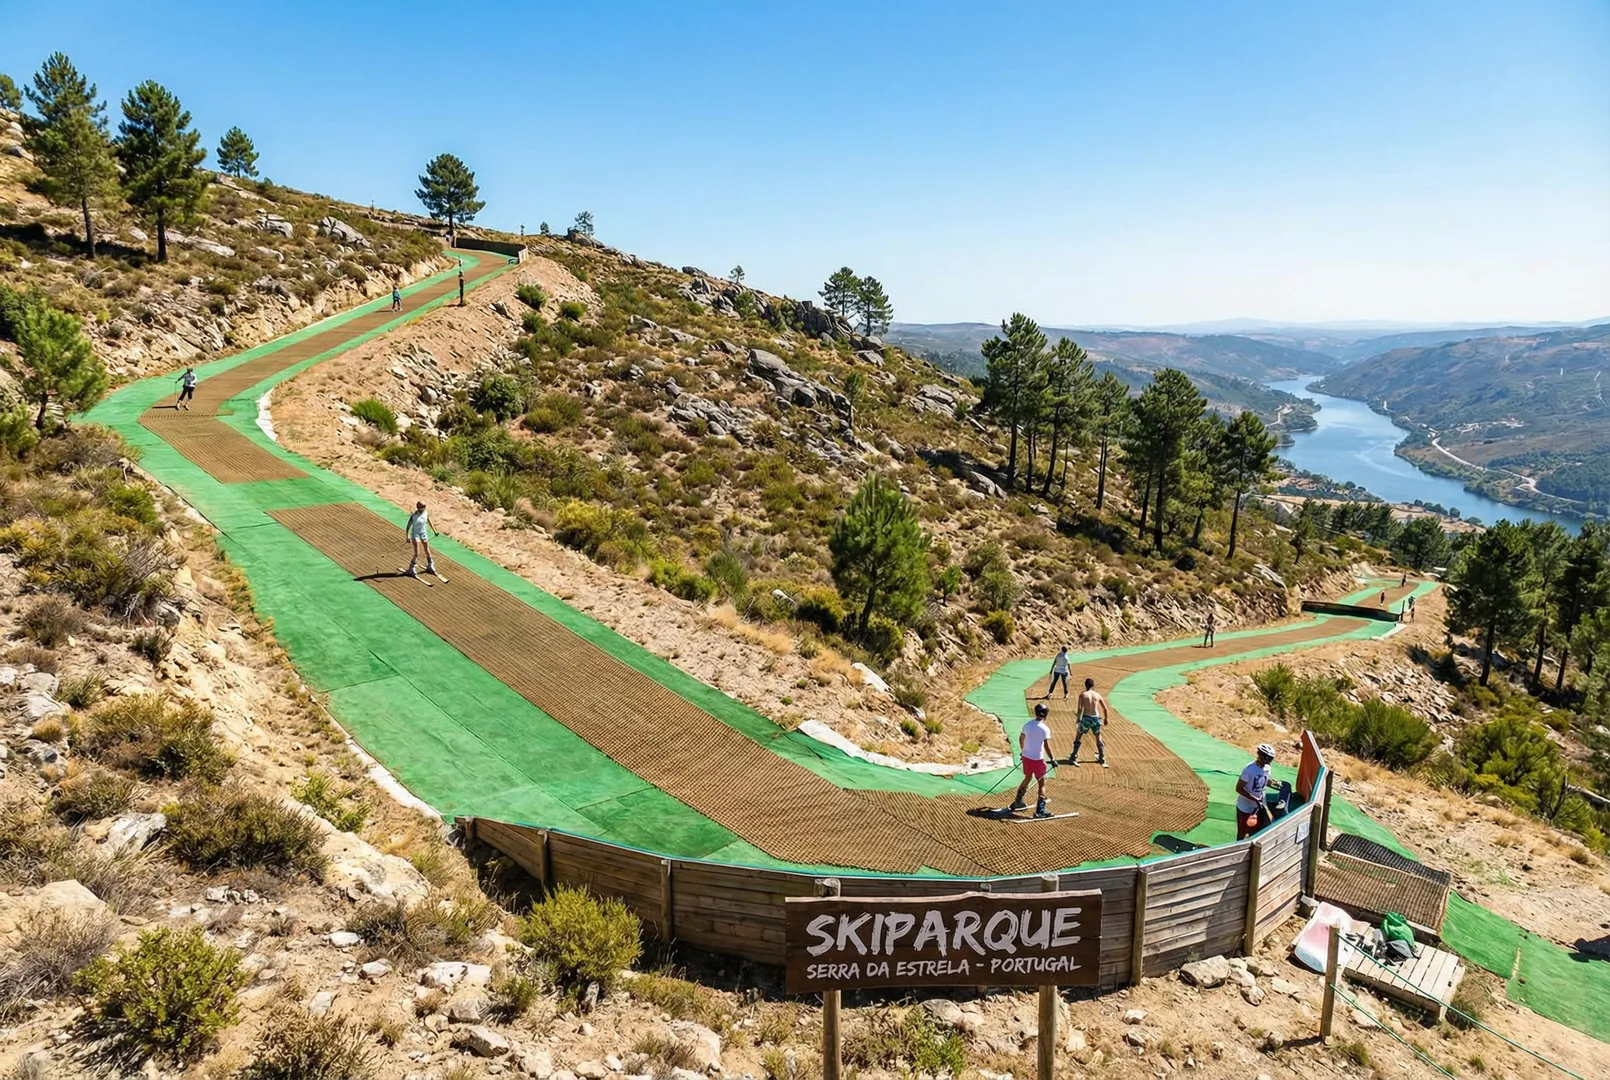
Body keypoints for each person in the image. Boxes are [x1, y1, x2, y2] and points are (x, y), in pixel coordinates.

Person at [1008, 702, 1055, 818]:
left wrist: (1023, 751)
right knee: (1041, 783)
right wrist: (1053, 759)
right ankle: (1040, 810)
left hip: (1027, 757)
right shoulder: (1045, 729)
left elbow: (1021, 738)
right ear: (1046, 714)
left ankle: (1018, 801)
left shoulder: (1027, 725)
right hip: (1038, 759)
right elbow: (1047, 746)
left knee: (1027, 777)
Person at [1236, 743, 1277, 840]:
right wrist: (1254, 798)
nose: (1269, 761)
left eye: (1271, 759)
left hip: (1259, 807)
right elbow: (1238, 788)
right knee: (1242, 833)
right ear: (1261, 756)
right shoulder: (1249, 769)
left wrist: (1274, 783)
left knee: (1257, 832)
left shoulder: (1267, 768)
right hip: (1245, 808)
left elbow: (1265, 780)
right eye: (1267, 758)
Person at [1067, 678, 1109, 767]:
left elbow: (1079, 708)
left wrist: (1078, 718)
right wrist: (1106, 719)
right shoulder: (1097, 695)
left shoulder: (1083, 695)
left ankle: (1073, 756)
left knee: (1078, 737)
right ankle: (1102, 757)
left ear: (1085, 685)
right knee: (1098, 737)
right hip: (1096, 719)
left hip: (1086, 718)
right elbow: (1105, 708)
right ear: (1093, 685)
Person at [404, 501, 436, 577]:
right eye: (421, 508)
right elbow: (408, 527)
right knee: (417, 553)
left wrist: (435, 531)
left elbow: (429, 521)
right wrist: (407, 536)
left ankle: (430, 565)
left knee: (427, 550)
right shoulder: (414, 516)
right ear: (418, 508)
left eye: (424, 507)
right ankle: (411, 568)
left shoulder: (426, 513)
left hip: (423, 533)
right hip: (415, 534)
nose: (423, 509)